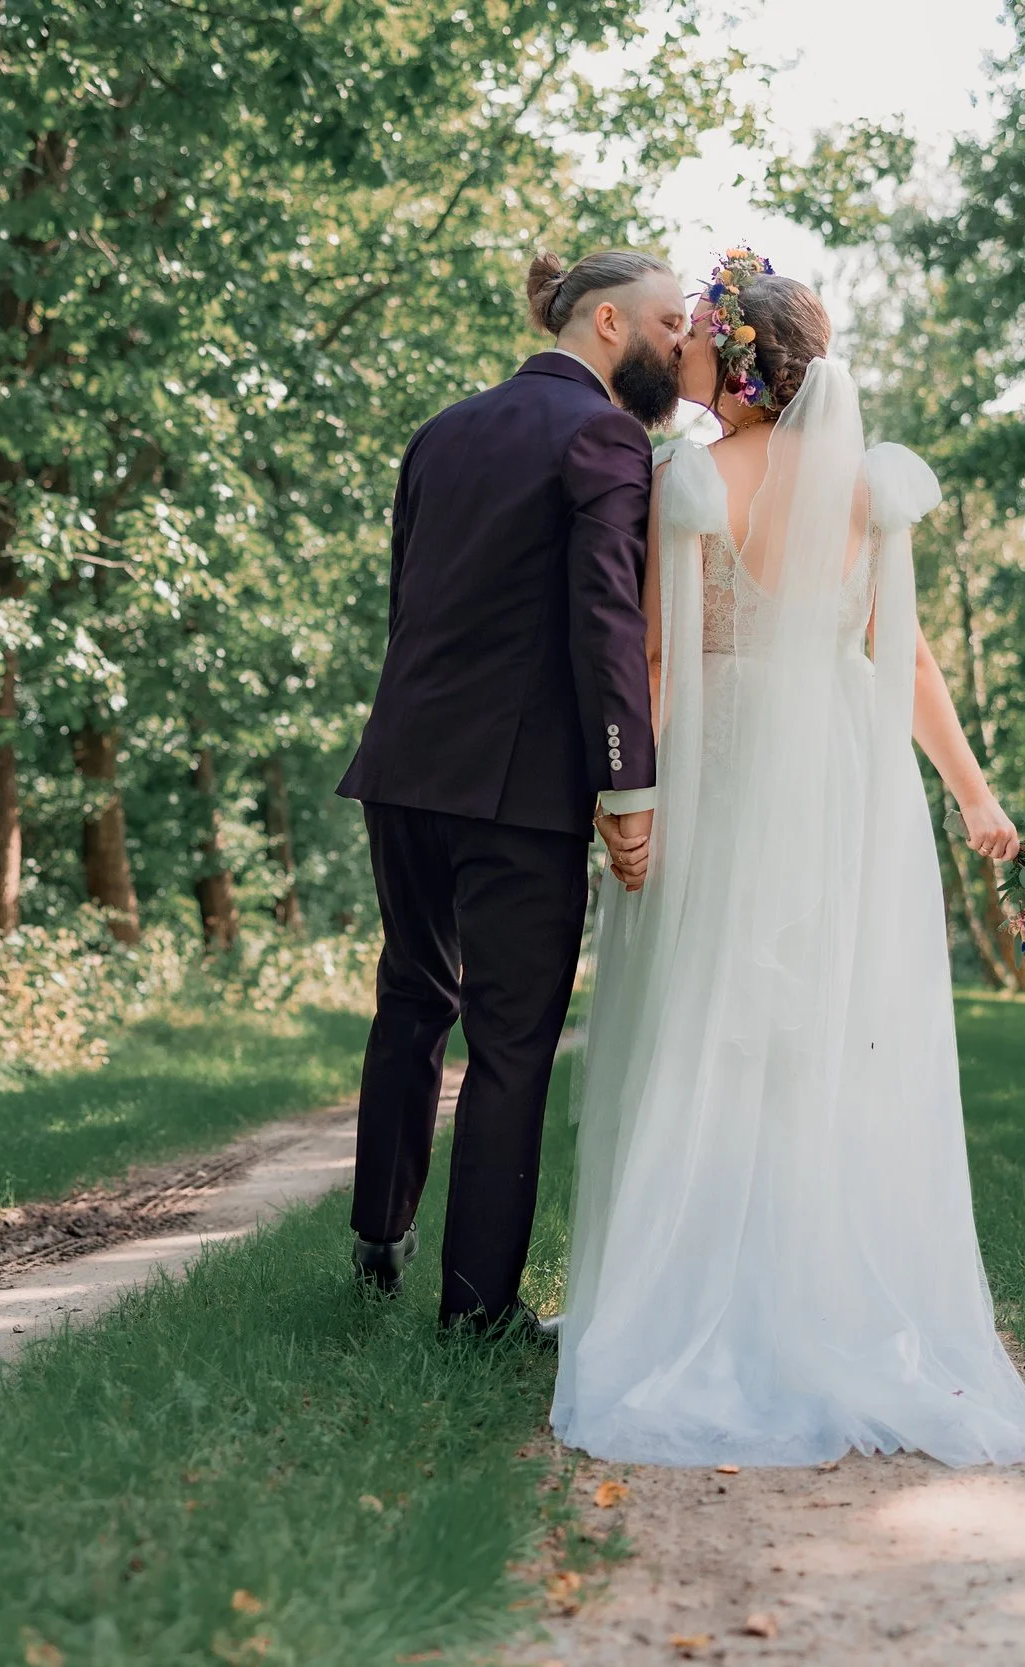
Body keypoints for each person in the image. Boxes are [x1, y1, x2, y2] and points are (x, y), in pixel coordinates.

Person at [550, 252, 1025, 1466]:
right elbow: (906, 657)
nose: (680, 348)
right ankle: (816, 1290)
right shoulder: (867, 487)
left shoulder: (689, 477)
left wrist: (627, 799)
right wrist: (974, 795)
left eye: (698, 336)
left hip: (727, 767)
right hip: (846, 773)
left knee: (707, 1011)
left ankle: (692, 1293)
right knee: (820, 1030)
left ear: (740, 364)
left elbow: (654, 659)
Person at [337, 248, 686, 1338]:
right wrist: (627, 784)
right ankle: (478, 1312)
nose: (683, 342)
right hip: (517, 791)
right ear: (608, 324)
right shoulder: (607, 437)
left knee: (411, 998)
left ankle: (378, 1237)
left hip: (402, 767)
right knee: (510, 1042)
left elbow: (408, 604)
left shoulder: (441, 430)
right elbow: (607, 621)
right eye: (670, 322)